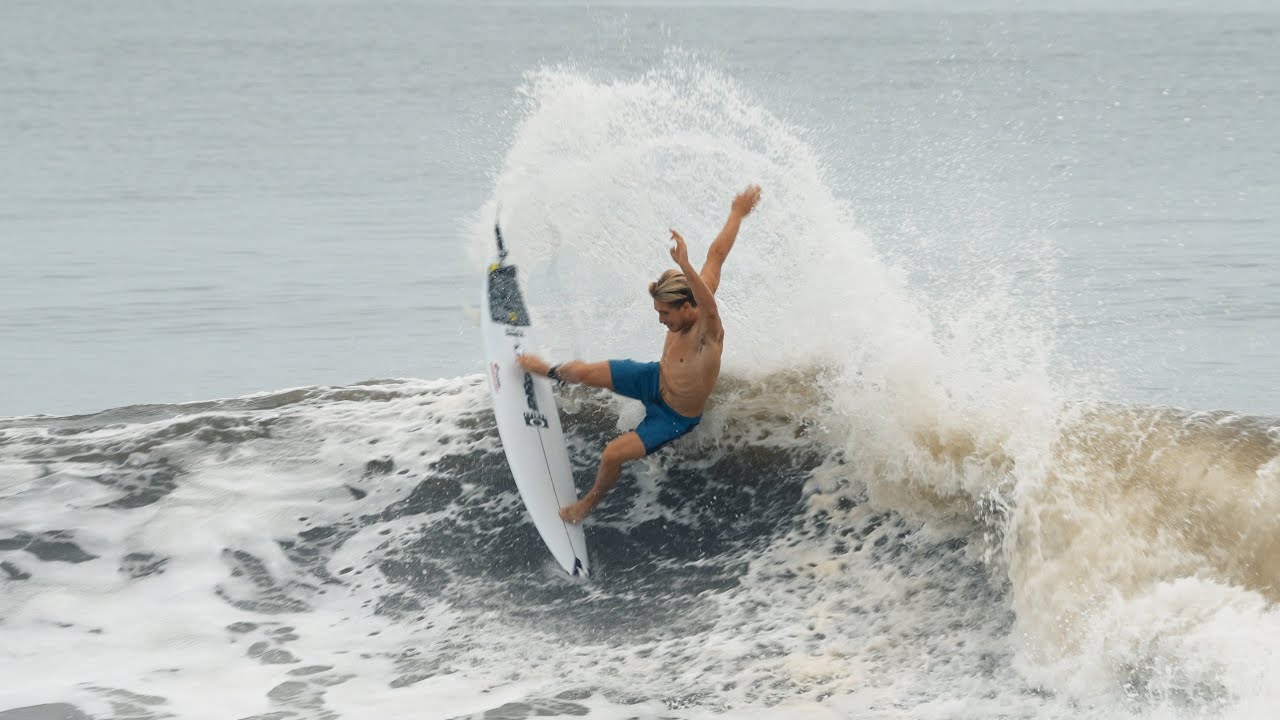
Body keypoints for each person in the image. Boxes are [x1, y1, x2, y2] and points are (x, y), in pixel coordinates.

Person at [517, 185, 762, 523]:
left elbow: (708, 296)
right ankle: (549, 372)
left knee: (612, 455)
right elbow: (717, 253)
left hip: (673, 417)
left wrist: (685, 264)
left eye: (665, 314)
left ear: (687, 306)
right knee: (583, 372)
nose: (661, 320)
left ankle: (586, 506)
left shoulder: (707, 332)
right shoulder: (684, 308)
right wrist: (736, 212)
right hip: (653, 379)